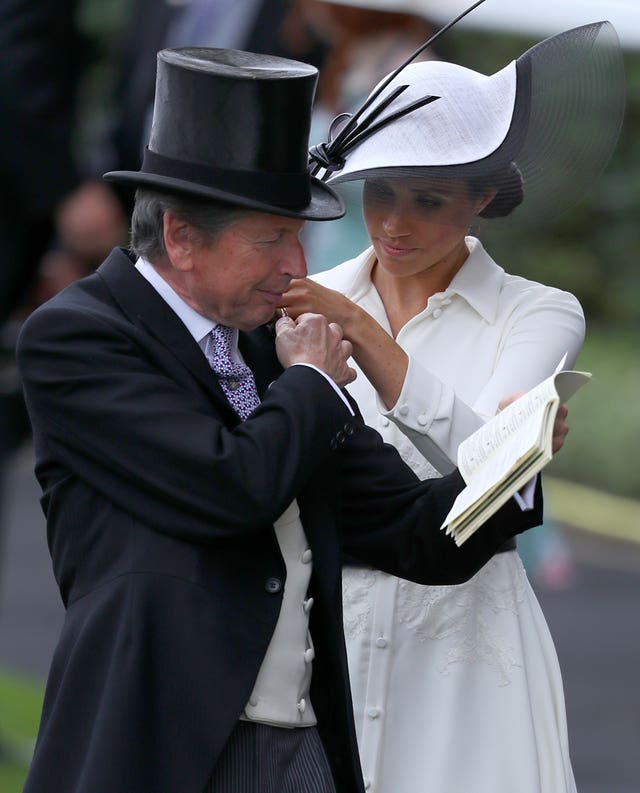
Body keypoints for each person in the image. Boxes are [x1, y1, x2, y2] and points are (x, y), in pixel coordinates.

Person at [15, 47, 555, 793]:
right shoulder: (81, 335)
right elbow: (229, 486)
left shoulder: (268, 349)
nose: (297, 265)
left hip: (301, 748)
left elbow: (416, 532)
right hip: (156, 746)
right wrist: (309, 380)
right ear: (180, 236)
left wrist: (516, 464)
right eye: (271, 238)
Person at [281, 22, 624, 793]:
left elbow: (488, 470)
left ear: (482, 198)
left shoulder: (539, 313)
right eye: (381, 192)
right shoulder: (311, 297)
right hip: (321, 625)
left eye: (428, 199)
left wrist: (363, 333)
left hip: (468, 643)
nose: (396, 222)